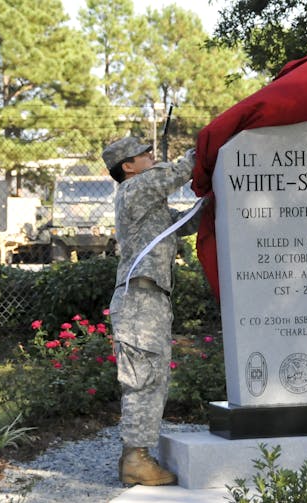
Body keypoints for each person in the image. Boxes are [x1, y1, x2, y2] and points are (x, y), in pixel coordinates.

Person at [102, 136, 203, 485]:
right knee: (143, 381)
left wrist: (211, 202)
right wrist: (206, 146)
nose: (151, 156)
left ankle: (138, 456)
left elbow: (181, 224)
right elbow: (178, 172)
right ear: (128, 167)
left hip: (151, 300)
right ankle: (135, 459)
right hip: (140, 301)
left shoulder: (147, 202)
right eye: (143, 154)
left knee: (153, 378)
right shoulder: (134, 190)